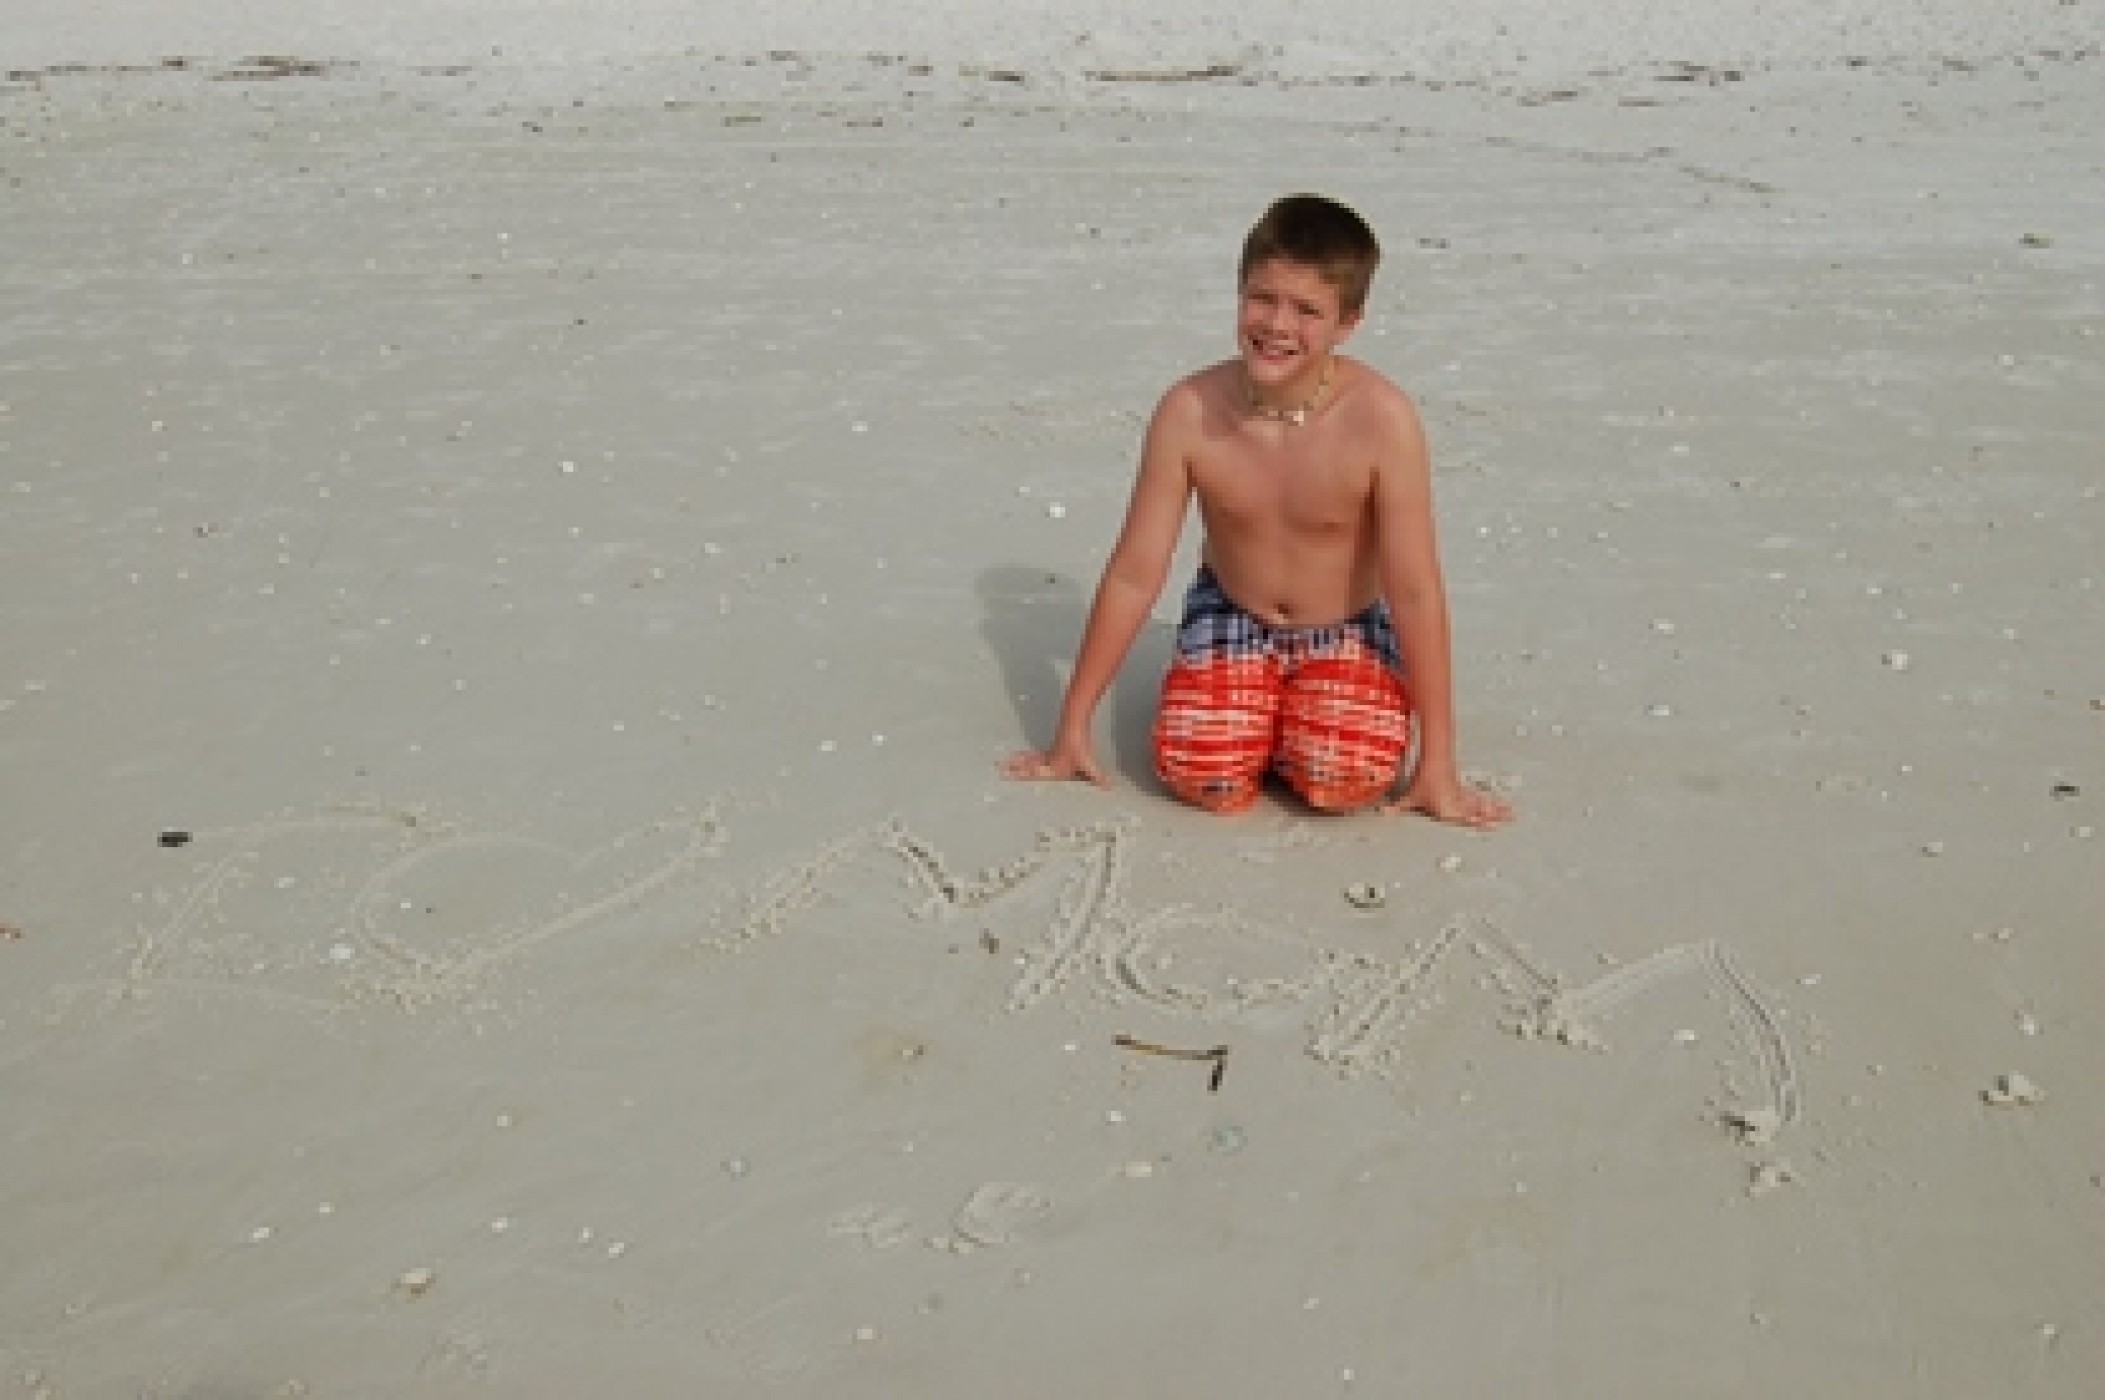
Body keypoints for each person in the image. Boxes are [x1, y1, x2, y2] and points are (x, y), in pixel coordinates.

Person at [1004, 193, 1511, 828]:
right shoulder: (1190, 410)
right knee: (1203, 778)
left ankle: (1302, 713)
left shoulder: (1382, 420)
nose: (1277, 324)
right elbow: (1135, 572)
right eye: (1261, 299)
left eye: (1307, 310)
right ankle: (1250, 709)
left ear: (1348, 322)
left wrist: (1439, 763)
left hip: (1345, 624)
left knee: (1343, 782)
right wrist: (1071, 727)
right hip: (1234, 613)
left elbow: (1414, 588)